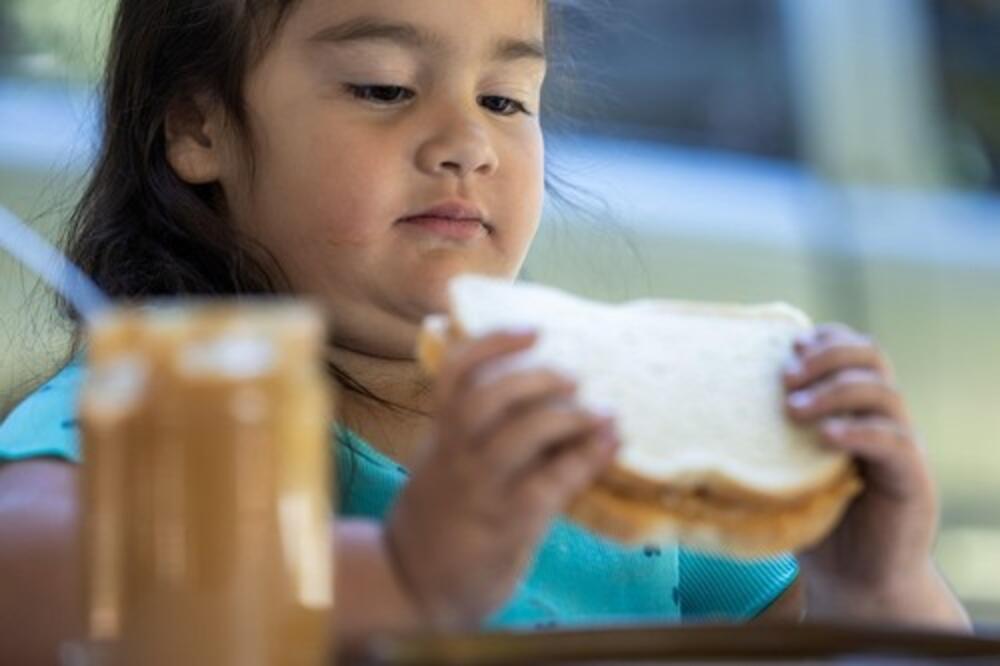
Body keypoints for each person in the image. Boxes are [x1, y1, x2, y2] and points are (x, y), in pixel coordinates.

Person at [0, 0, 971, 662]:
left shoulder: (600, 429)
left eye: (505, 99)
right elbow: (26, 579)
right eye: (383, 86)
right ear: (198, 124)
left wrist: (873, 588)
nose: (466, 142)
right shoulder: (188, 401)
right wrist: (404, 576)